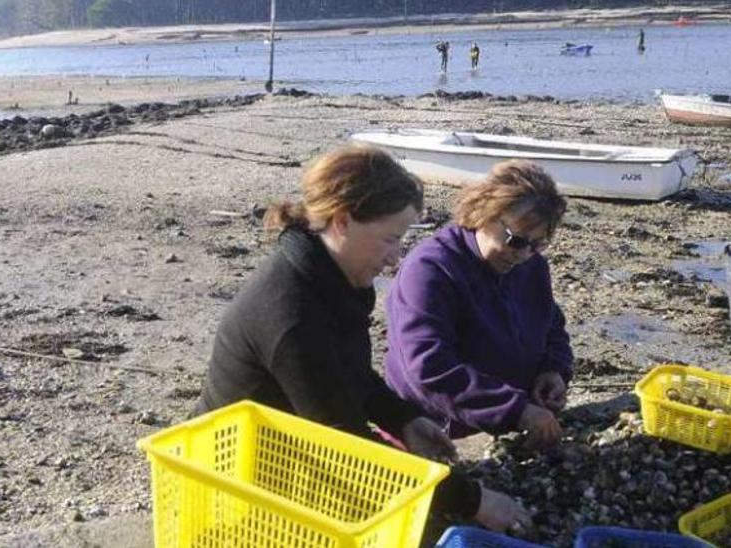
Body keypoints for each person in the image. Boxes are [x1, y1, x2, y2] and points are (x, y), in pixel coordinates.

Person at [195, 145, 532, 534]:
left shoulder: (337, 278)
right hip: (236, 481)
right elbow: (345, 444)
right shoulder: (290, 311)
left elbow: (348, 374)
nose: (394, 258)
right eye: (390, 239)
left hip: (290, 451)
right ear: (342, 221)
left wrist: (405, 419)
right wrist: (473, 501)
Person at [384, 160, 572, 449]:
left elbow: (551, 326)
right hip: (433, 431)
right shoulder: (430, 270)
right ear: (483, 213)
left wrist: (553, 369)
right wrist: (517, 410)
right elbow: (429, 368)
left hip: (512, 420)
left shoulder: (532, 267)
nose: (524, 254)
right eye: (516, 241)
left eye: (538, 244)